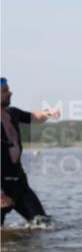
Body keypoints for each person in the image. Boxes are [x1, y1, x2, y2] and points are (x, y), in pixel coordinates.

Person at [1, 77, 60, 225]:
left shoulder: (12, 113)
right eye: (4, 91)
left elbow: (33, 117)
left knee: (43, 224)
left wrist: (48, 113)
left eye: (8, 89)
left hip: (19, 183)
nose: (10, 93)